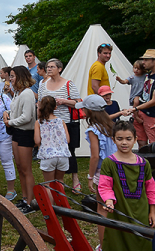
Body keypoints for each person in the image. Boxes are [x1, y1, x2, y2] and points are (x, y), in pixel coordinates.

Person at [98, 121, 155, 251]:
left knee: (142, 242)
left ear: (135, 139)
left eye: (128, 139)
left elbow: (151, 189)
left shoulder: (144, 163)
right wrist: (109, 200)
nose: (124, 142)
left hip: (142, 213)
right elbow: (105, 186)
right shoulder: (109, 162)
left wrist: (152, 211)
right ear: (113, 140)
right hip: (119, 211)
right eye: (120, 139)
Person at [38, 58, 83, 194]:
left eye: (52, 67)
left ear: (60, 69)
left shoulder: (68, 84)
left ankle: (75, 179)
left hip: (66, 122)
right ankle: (54, 180)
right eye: (47, 67)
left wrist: (64, 101)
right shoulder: (42, 84)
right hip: (48, 123)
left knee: (70, 151)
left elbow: (79, 102)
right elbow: (40, 103)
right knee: (50, 150)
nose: (49, 69)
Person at [77, 94, 116, 246]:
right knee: (114, 206)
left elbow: (94, 156)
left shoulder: (93, 129)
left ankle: (103, 244)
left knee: (102, 210)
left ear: (90, 111)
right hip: (116, 169)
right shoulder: (110, 125)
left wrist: (90, 176)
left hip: (103, 172)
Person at [3, 66, 36, 214]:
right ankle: (24, 198)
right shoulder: (18, 93)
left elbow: (27, 116)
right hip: (17, 132)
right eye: (10, 76)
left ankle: (30, 202)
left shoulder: (27, 93)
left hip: (25, 133)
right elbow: (17, 111)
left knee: (26, 169)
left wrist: (10, 122)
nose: (10, 79)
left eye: (13, 76)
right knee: (19, 167)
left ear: (20, 77)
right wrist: (8, 113)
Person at [34, 96, 71, 185]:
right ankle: (60, 199)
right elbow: (68, 140)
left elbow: (37, 140)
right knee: (59, 181)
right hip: (63, 155)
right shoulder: (61, 121)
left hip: (48, 156)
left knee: (49, 183)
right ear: (55, 107)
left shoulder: (39, 122)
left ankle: (50, 199)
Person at [131, 50, 155, 148]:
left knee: (153, 144)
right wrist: (136, 99)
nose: (143, 62)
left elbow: (153, 101)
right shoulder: (148, 75)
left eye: (146, 60)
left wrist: (136, 108)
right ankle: (143, 163)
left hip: (151, 115)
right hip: (140, 112)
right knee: (141, 143)